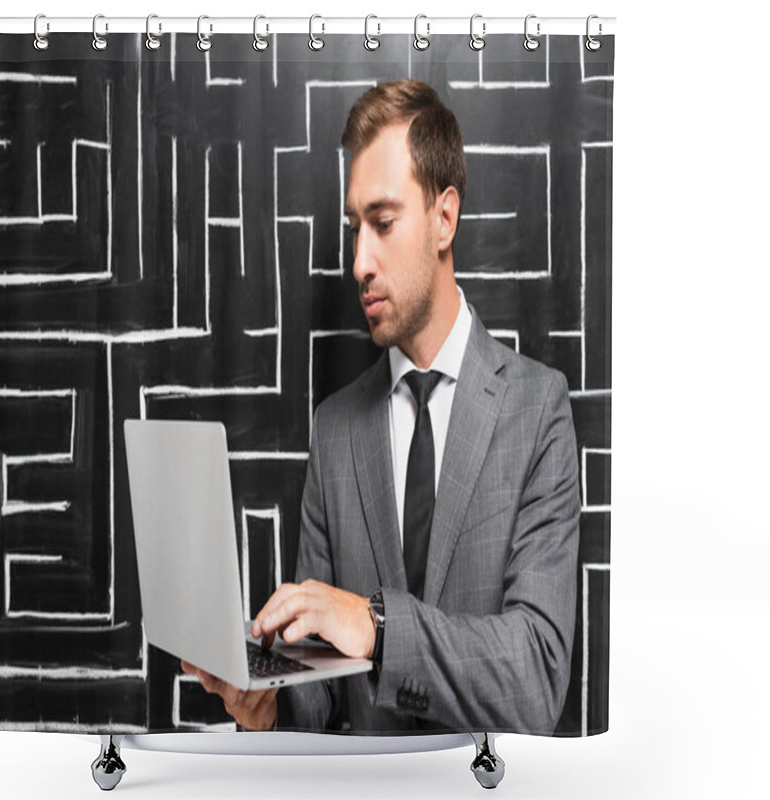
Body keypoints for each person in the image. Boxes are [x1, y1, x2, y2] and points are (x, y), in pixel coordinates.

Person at [182, 79, 580, 735]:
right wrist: (269, 703)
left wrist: (376, 624)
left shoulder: (537, 409)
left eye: (384, 222)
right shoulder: (335, 428)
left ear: (444, 218)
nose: (360, 260)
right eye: (353, 227)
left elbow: (536, 678)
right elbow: (322, 698)